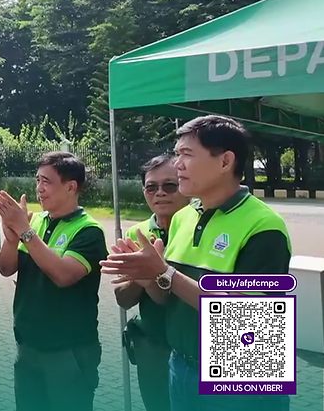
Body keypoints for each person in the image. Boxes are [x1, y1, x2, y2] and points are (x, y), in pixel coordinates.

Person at [101, 115, 293, 411]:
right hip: (181, 365)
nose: (177, 164)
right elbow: (167, 298)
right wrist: (147, 276)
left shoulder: (264, 226)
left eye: (186, 155)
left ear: (225, 161)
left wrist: (164, 272)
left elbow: (242, 317)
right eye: (177, 154)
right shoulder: (183, 218)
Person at [0, 151, 108, 411]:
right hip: (29, 346)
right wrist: (12, 238)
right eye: (37, 180)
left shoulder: (89, 230)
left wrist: (24, 231)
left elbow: (64, 275)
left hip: (69, 351)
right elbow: (5, 268)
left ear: (71, 187)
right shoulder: (37, 223)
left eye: (46, 181)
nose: (39, 189)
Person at [114, 154, 190, 411]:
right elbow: (123, 299)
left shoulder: (203, 228)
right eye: (151, 187)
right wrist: (143, 279)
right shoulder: (136, 235)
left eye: (170, 185)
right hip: (154, 348)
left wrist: (158, 273)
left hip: (197, 353)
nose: (160, 193)